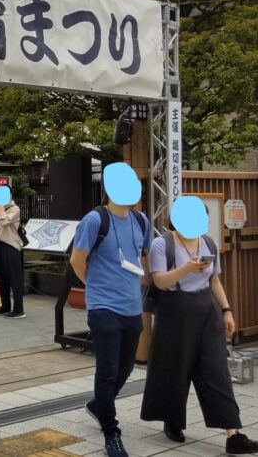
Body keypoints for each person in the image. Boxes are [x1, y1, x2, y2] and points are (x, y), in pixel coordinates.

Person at [140, 207, 258, 454]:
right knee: (174, 369)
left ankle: (233, 433)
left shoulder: (208, 243)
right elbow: (160, 281)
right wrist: (187, 268)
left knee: (216, 370)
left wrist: (227, 310)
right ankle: (172, 420)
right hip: (174, 311)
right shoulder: (162, 244)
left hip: (206, 310)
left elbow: (214, 280)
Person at [69, 165, 151, 457]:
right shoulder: (94, 220)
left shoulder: (141, 220)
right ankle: (111, 434)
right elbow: (77, 261)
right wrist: (95, 287)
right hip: (103, 307)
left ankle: (98, 405)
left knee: (126, 368)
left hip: (132, 306)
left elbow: (144, 258)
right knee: (107, 371)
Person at [0, 189, 26, 319]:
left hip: (11, 246)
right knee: (1, 278)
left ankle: (18, 310)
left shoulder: (15, 209)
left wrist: (2, 210)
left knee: (15, 278)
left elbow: (5, 222)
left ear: (10, 195)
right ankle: (5, 306)